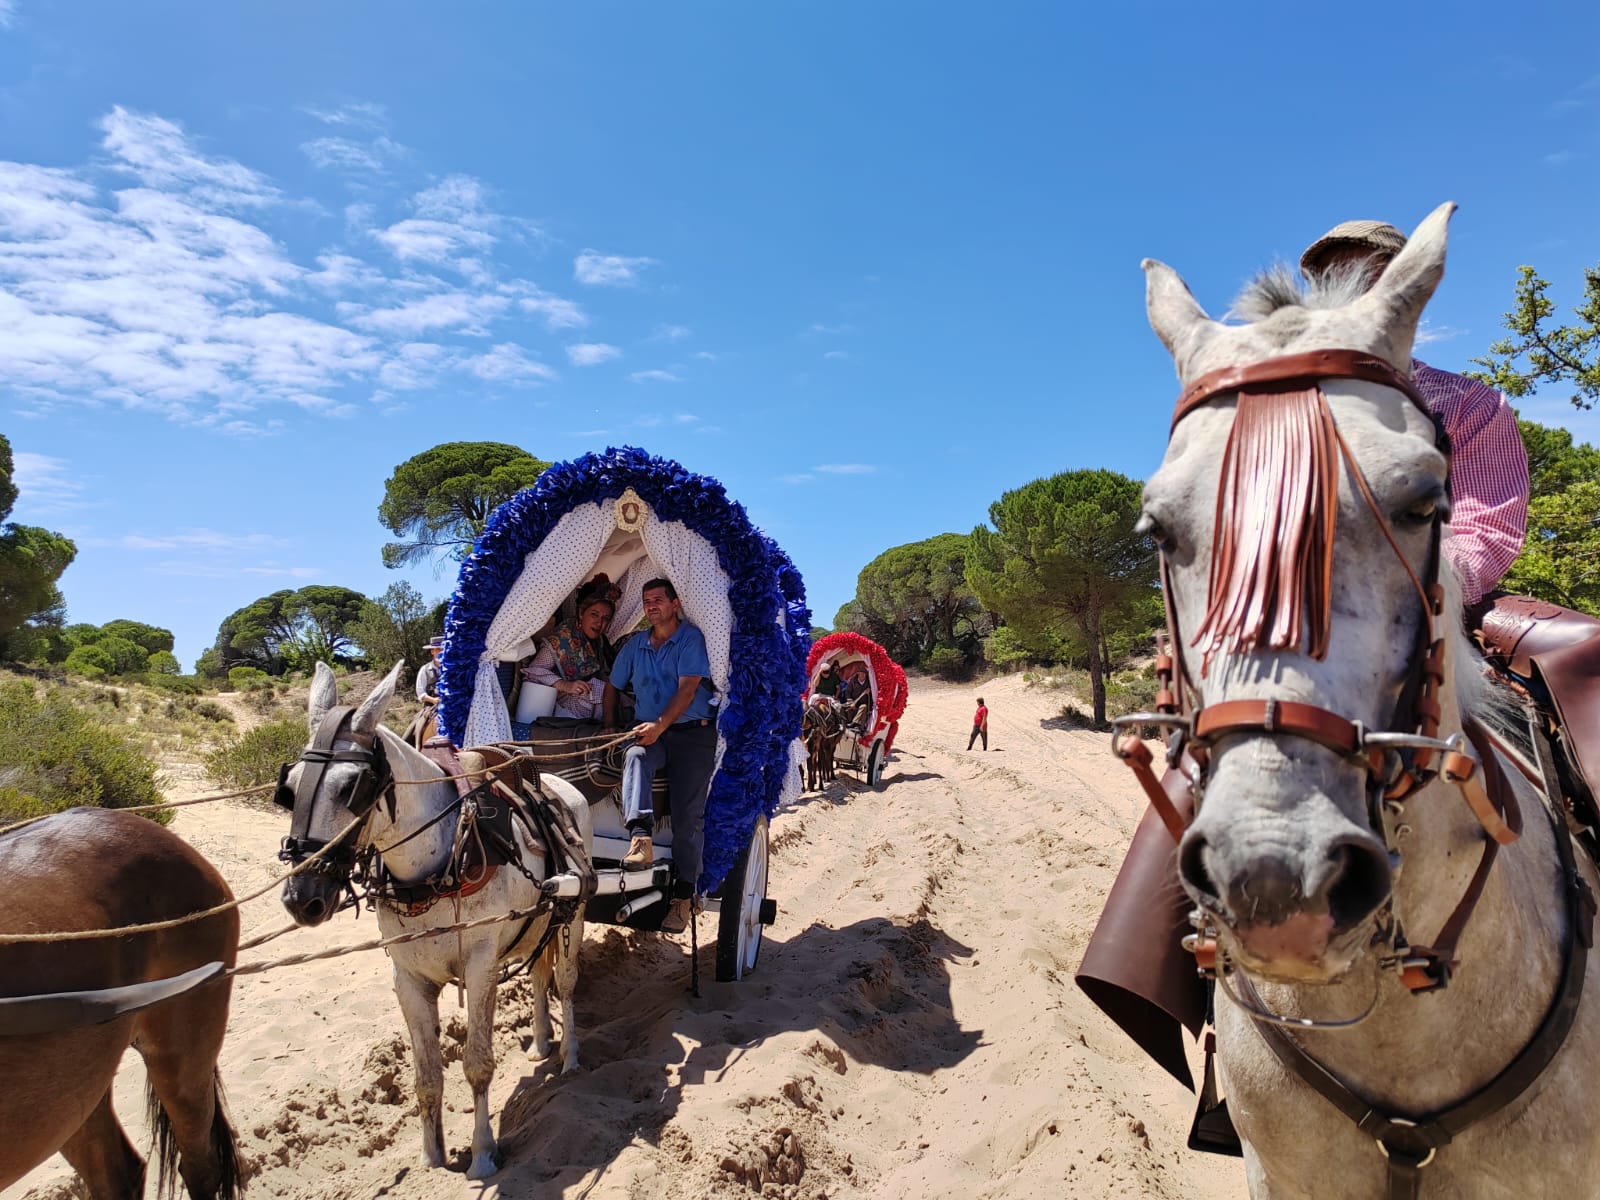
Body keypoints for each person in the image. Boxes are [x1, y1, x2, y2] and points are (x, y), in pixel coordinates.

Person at [1299, 220, 1529, 605]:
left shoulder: (1469, 404)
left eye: (1376, 280)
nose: (1355, 296)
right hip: (1285, 597)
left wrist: (1393, 582)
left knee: (1580, 641)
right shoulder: (1281, 400)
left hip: (1419, 601)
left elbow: (1484, 533)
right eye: (1335, 280)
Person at [603, 577, 718, 935]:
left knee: (688, 817)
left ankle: (683, 897)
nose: (651, 606)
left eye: (657, 600)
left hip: (692, 734)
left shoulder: (690, 639)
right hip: (650, 731)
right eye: (646, 601)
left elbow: (688, 690)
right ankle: (641, 839)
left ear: (675, 603)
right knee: (636, 755)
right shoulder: (636, 645)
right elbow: (612, 686)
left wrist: (659, 725)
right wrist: (609, 726)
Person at [521, 577, 618, 720]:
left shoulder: (599, 642)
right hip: (558, 706)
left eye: (606, 618)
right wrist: (564, 685)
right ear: (581, 613)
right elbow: (534, 671)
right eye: (594, 614)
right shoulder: (562, 638)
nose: (599, 622)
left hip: (585, 705)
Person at [414, 637, 443, 706]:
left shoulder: (452, 669)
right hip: (431, 707)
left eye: (443, 649)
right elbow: (420, 693)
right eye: (438, 649)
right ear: (432, 651)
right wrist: (433, 700)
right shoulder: (424, 669)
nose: (441, 652)